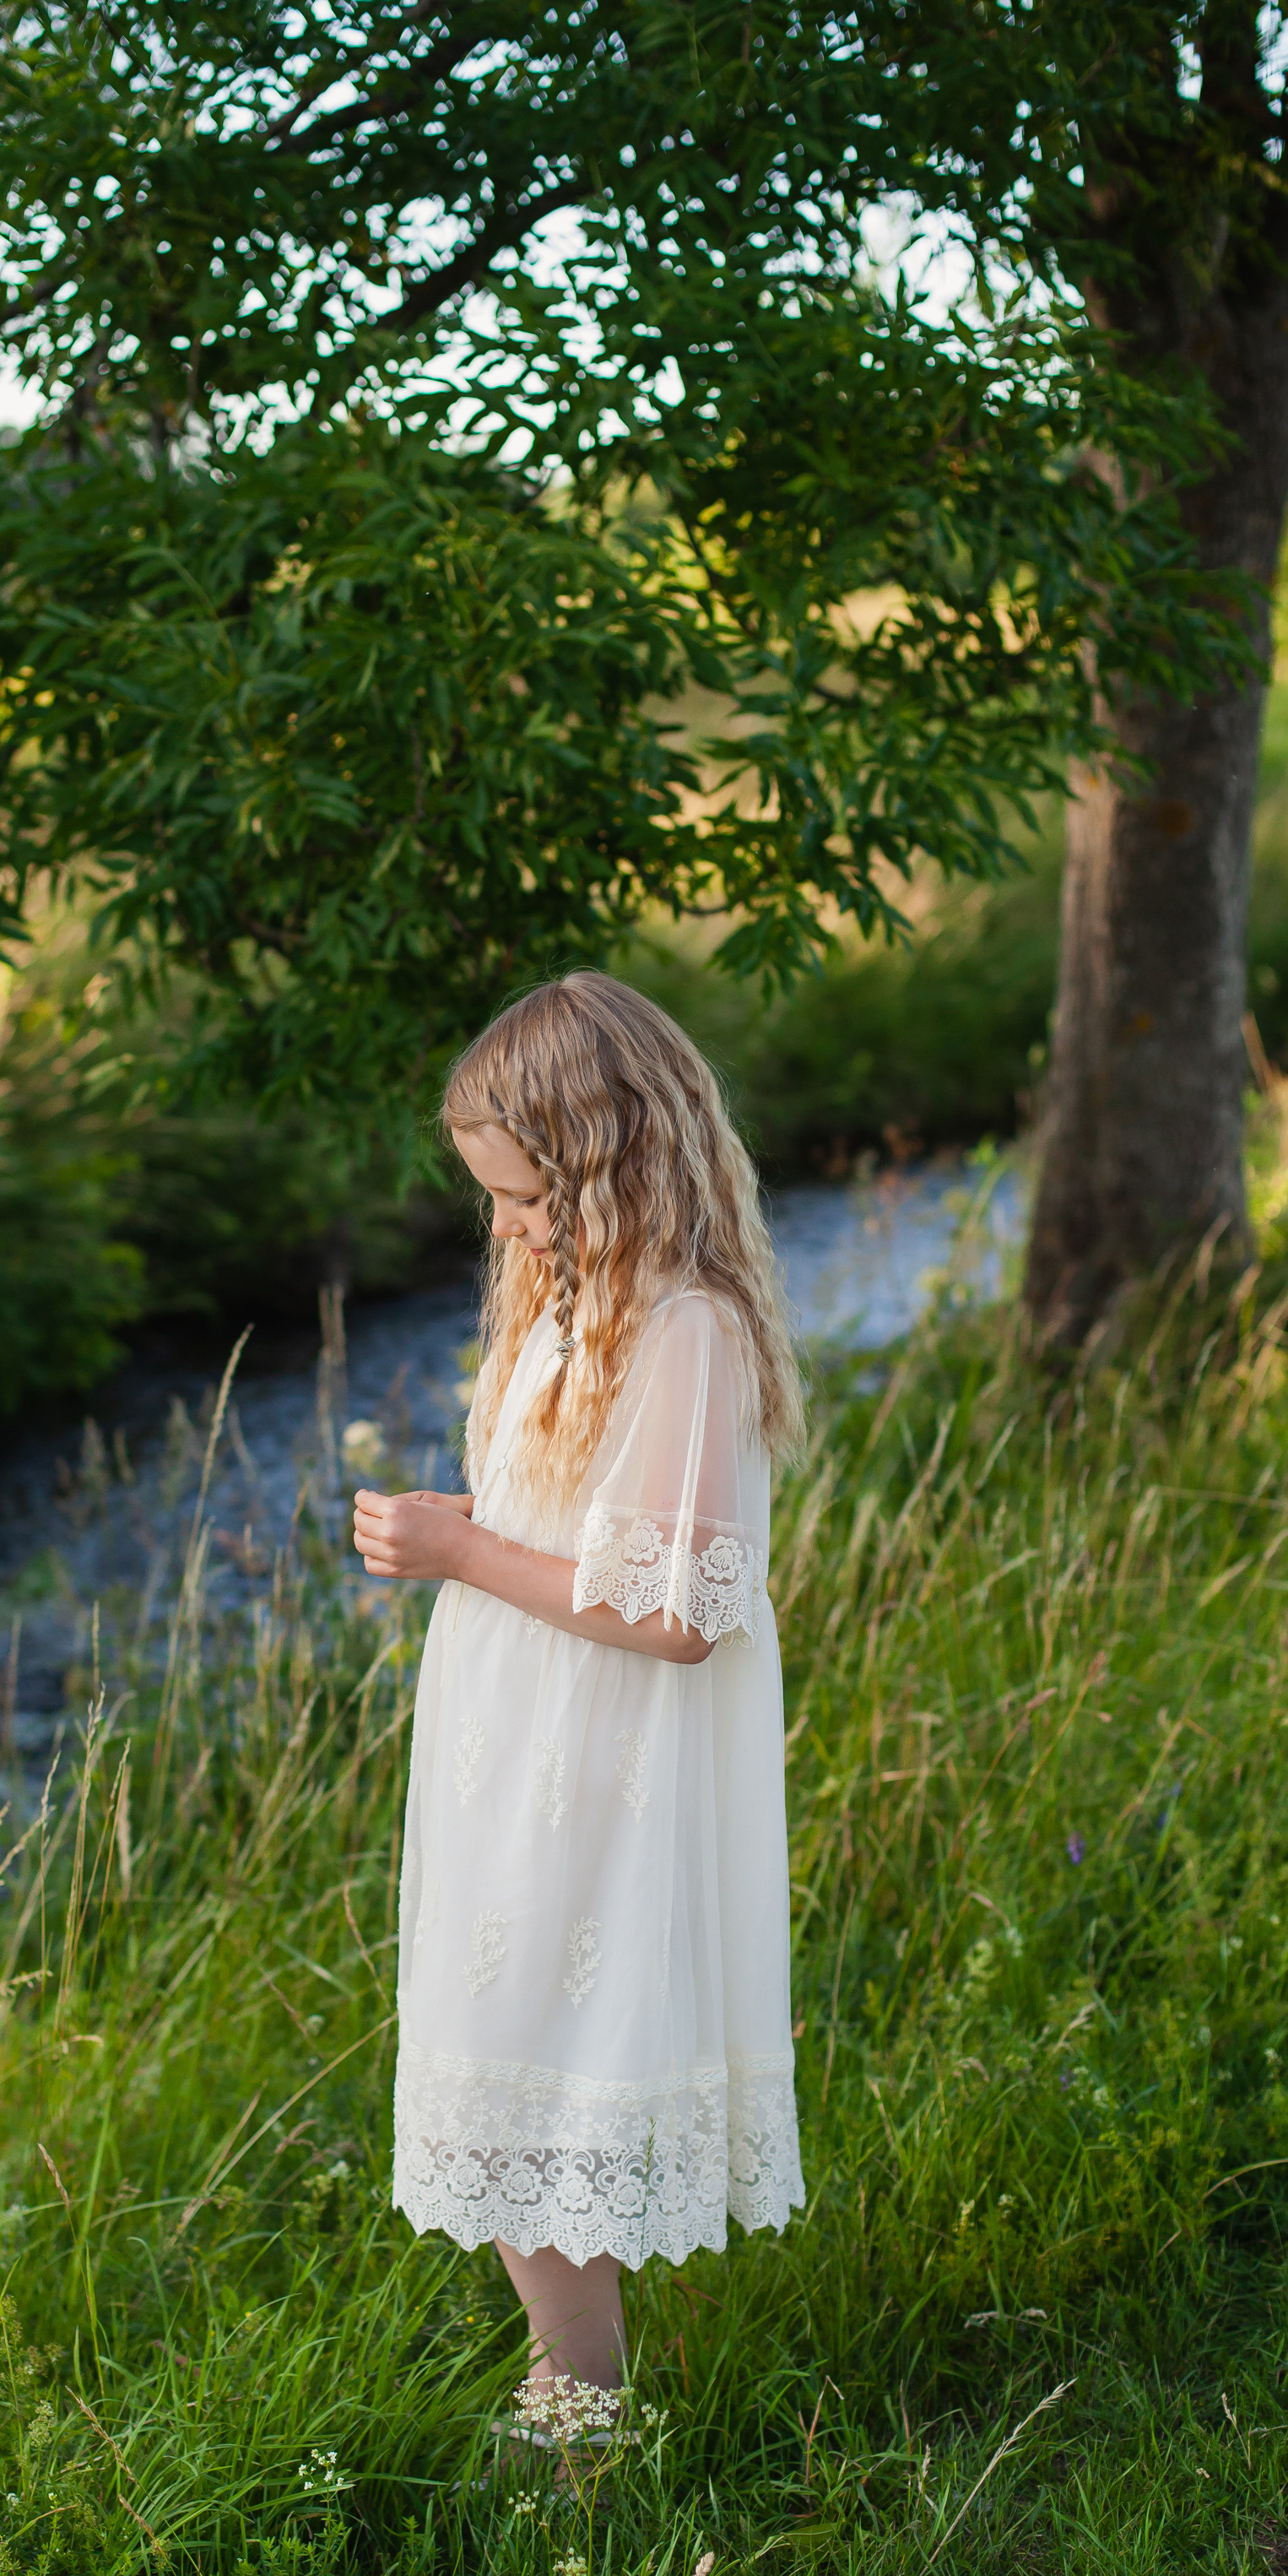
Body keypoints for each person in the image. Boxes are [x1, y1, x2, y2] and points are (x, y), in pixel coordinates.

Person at [354, 973, 806, 2413]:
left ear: (612, 1166)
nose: (503, 1225)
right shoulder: (570, 1304)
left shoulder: (686, 1332)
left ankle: (578, 2412)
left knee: (540, 2073)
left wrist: (463, 1549)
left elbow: (676, 1613)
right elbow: (565, 1523)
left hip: (601, 1755)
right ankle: (575, 2395)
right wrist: (473, 1526)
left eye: (523, 1196)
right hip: (515, 1738)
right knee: (497, 2066)